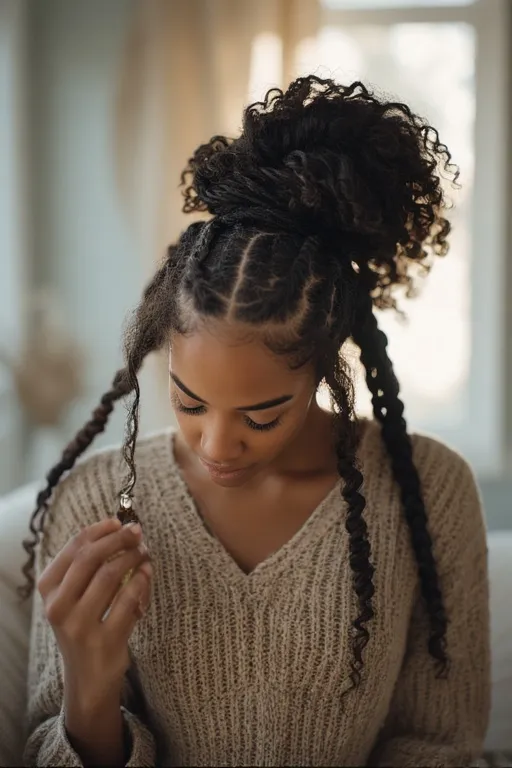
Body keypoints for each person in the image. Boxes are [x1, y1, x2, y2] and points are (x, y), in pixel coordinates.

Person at [21, 76, 490, 767]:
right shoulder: (93, 500)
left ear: (323, 369)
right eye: (188, 402)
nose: (217, 444)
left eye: (262, 414)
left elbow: (437, 744)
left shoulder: (427, 490)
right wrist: (89, 692)